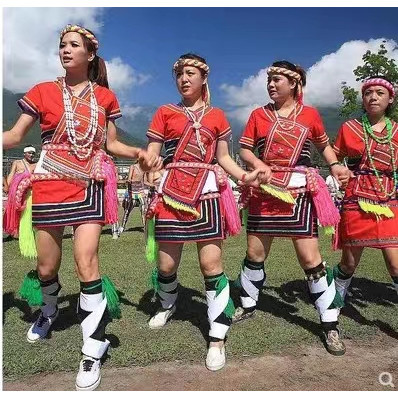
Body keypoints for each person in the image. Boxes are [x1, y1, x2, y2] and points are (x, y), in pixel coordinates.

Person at [2, 24, 160, 391]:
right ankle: (48, 310)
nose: (65, 49)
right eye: (62, 45)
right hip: (48, 183)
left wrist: (139, 152)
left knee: (87, 262)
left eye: (74, 45)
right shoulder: (41, 91)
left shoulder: (105, 97)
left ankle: (92, 347)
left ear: (90, 55)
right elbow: (13, 136)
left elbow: (112, 143)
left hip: (89, 183)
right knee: (46, 266)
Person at [145, 53, 261, 371]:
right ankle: (168, 304)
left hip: (207, 192)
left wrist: (243, 176)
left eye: (191, 73)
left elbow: (223, 157)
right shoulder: (164, 112)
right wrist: (147, 163)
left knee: (211, 264)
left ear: (203, 78)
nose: (184, 78)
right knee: (166, 265)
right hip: (170, 191)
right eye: (180, 73)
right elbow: (153, 153)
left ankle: (217, 336)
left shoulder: (218, 116)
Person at [235, 60, 351, 356]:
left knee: (310, 258)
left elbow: (324, 146)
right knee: (254, 253)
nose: (271, 85)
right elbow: (245, 149)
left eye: (277, 80)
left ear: (294, 84)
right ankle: (247, 304)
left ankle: (330, 323)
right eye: (269, 80)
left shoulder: (310, 115)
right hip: (265, 189)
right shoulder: (258, 115)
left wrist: (335, 165)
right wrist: (260, 165)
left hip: (299, 190)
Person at [333, 76, 398, 300]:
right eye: (368, 93)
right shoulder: (349, 128)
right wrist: (340, 171)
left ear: (390, 99)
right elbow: (334, 155)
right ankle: (335, 301)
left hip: (389, 201)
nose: (373, 97)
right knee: (349, 263)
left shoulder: (397, 131)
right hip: (356, 201)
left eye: (380, 93)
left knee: (396, 265)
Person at [118, 162, 147, 234]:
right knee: (127, 210)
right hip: (132, 192)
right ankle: (122, 227)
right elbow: (129, 178)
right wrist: (129, 181)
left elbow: (145, 181)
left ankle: (145, 228)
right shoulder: (133, 166)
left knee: (144, 211)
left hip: (141, 192)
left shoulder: (144, 168)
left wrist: (153, 184)